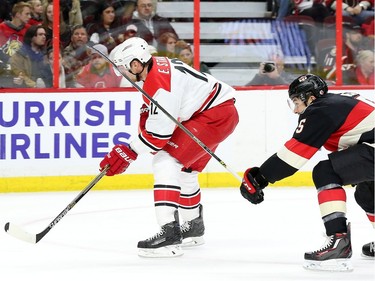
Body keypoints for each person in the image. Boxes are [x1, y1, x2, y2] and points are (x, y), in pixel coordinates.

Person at [99, 37, 239, 258]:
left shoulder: (160, 84)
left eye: (123, 69)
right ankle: (193, 226)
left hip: (211, 116)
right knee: (186, 170)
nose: (122, 76)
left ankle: (169, 235)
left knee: (165, 160)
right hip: (215, 112)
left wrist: (129, 151)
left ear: (136, 64)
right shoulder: (156, 67)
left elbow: (159, 136)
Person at [240, 74, 374, 270]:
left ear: (310, 98)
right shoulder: (335, 102)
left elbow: (292, 157)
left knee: (325, 171)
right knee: (367, 192)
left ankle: (339, 243)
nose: (295, 110)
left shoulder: (320, 110)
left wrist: (260, 178)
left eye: (296, 102)